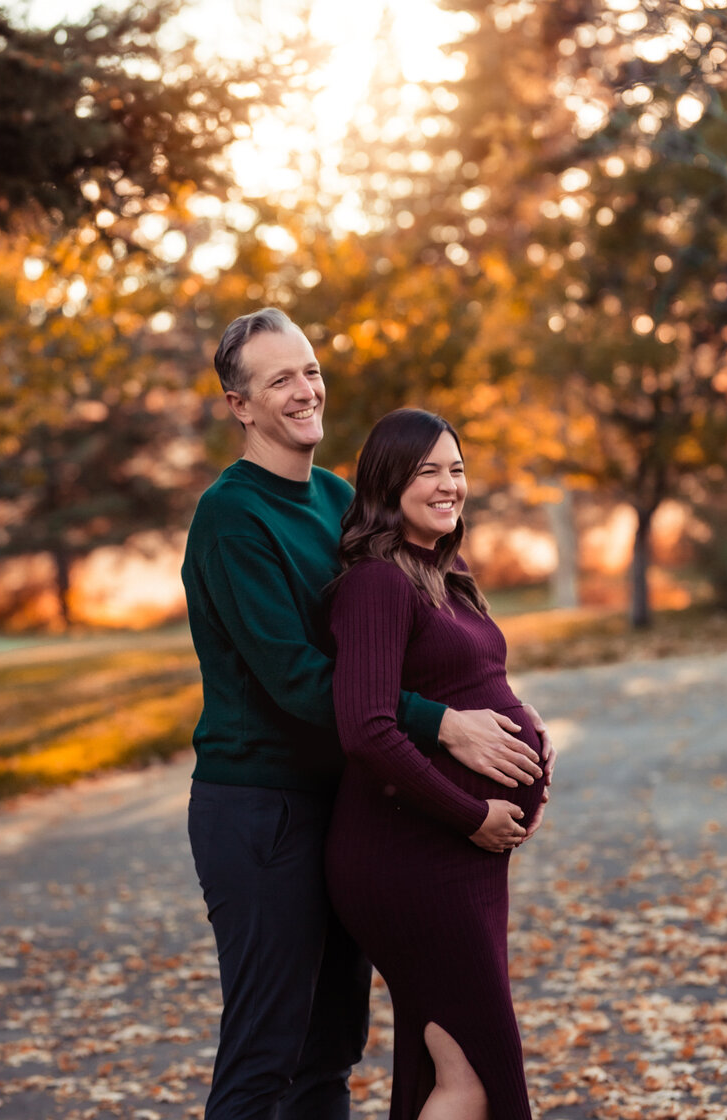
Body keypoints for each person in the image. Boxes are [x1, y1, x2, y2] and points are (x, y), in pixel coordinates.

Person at [181, 308, 554, 1120]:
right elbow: (303, 681)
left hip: (350, 806)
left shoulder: (337, 498)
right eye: (279, 378)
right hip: (261, 808)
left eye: (310, 369)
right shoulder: (232, 517)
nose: (304, 389)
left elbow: (392, 635)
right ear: (240, 405)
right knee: (267, 1050)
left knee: (330, 1048)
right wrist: (442, 726)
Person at [326, 408, 550, 1120]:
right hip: (412, 862)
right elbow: (365, 730)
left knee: (447, 1062)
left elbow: (468, 676)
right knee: (472, 1073)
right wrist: (474, 812)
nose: (448, 484)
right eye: (428, 471)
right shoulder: (376, 585)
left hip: (462, 862)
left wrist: (530, 729)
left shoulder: (443, 571)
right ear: (388, 483)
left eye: (455, 468)